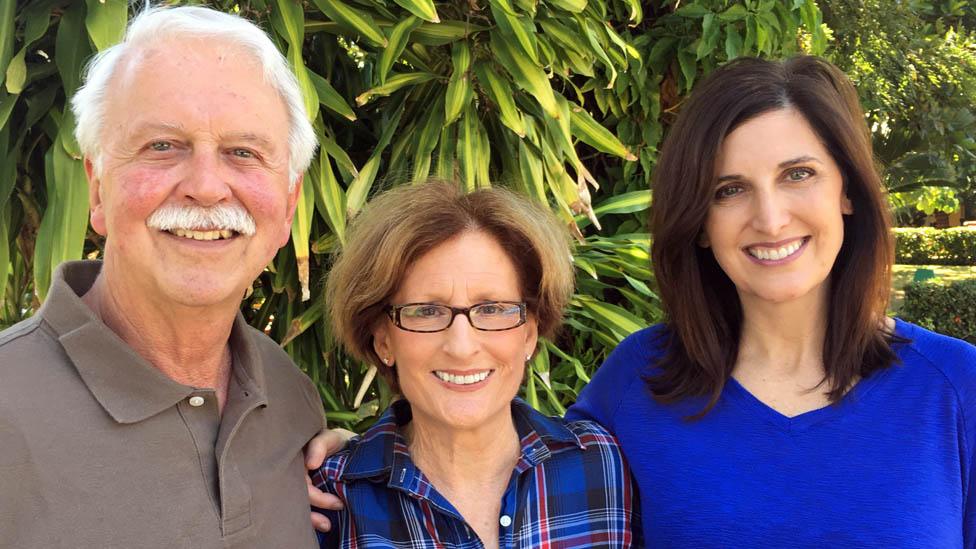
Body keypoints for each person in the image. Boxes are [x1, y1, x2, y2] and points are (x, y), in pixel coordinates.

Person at [566, 55, 976, 546]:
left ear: (847, 190)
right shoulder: (636, 384)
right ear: (699, 222)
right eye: (730, 189)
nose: (770, 218)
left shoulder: (956, 388)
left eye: (798, 174)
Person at [0, 5, 342, 547]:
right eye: (162, 146)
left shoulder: (288, 399)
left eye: (243, 152)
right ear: (96, 188)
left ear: (288, 204)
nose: (206, 187)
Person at [311, 179, 641, 548]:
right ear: (383, 339)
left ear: (529, 334)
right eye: (426, 311)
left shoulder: (606, 467)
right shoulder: (328, 497)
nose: (462, 346)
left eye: (493, 309)